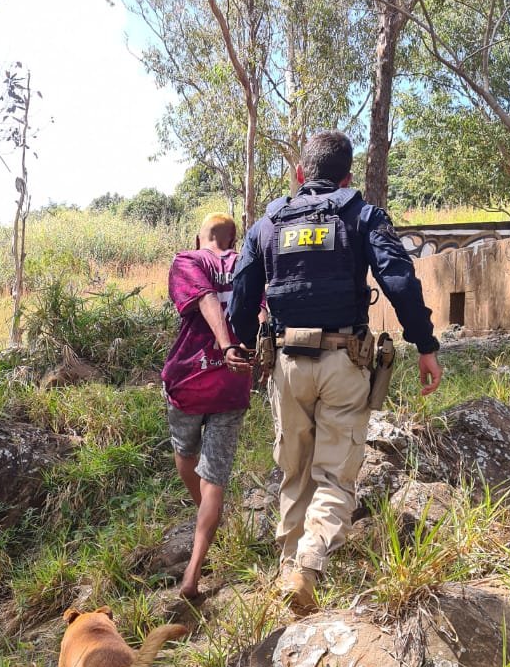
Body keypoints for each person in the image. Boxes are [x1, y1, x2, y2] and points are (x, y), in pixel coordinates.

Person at [228, 130, 442, 613]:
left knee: (294, 471)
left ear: (301, 174)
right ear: (347, 176)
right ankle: (306, 566)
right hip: (344, 361)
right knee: (334, 477)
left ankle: (289, 567)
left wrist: (241, 342)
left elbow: (243, 294)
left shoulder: (268, 222)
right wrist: (425, 345)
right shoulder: (361, 215)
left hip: (285, 366)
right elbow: (400, 281)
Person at [162, 213, 253, 599]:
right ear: (233, 239)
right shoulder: (249, 264)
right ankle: (193, 573)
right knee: (214, 476)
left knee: (185, 452)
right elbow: (263, 314)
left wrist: (224, 344)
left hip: (189, 380)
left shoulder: (188, 261)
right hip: (233, 382)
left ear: (202, 237)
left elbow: (205, 299)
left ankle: (205, 514)